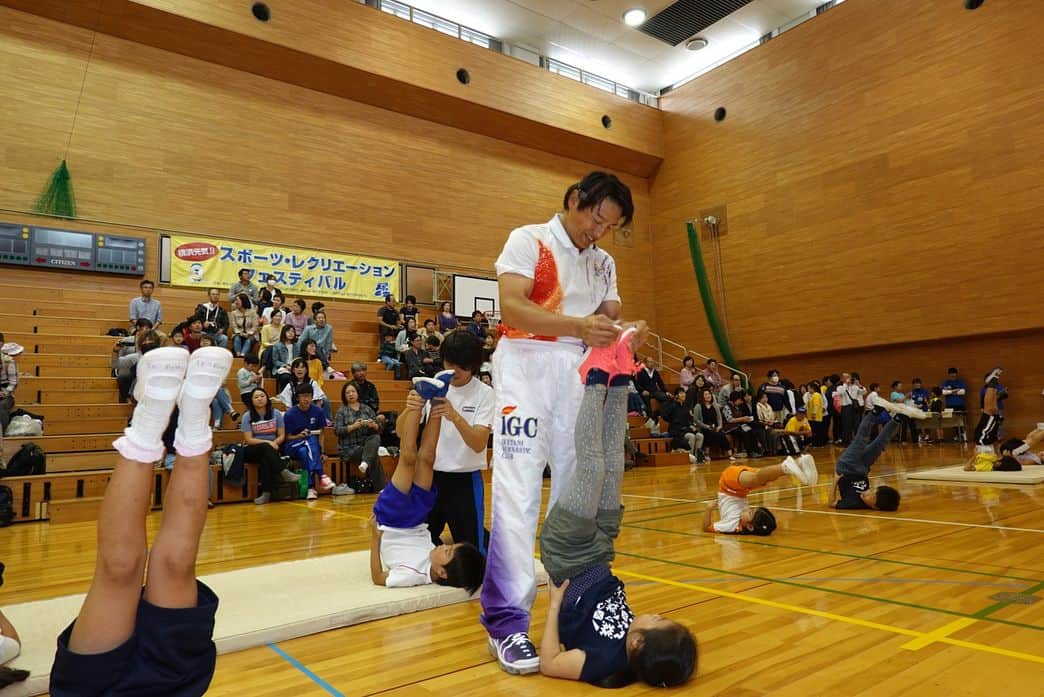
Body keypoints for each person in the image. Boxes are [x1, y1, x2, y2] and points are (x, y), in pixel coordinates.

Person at [482, 171, 642, 674]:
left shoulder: (602, 263)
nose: (598, 231)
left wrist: (623, 331)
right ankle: (506, 624)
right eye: (596, 218)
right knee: (518, 493)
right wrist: (578, 325)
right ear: (575, 200)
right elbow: (511, 305)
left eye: (609, 226)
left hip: (578, 372)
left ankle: (574, 609)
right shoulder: (528, 239)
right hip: (525, 366)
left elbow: (608, 313)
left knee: (580, 491)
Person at [49, 346, 231, 695]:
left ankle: (150, 416)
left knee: (119, 567)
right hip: (174, 682)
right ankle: (194, 412)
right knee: (177, 564)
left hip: (90, 690)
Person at [537, 357, 696, 687]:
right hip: (601, 546)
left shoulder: (604, 661)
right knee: (614, 465)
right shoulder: (634, 638)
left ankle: (594, 381)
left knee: (593, 469)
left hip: (567, 555)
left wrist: (553, 606)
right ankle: (620, 380)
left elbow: (550, 664)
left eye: (661, 621)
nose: (656, 614)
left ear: (639, 643)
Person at [368, 383, 485, 592]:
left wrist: (374, 539)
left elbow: (378, 577)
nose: (444, 545)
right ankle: (437, 399)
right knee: (428, 458)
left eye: (447, 551)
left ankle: (418, 398)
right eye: (450, 546)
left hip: (391, 520)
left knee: (408, 458)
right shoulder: (436, 558)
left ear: (441, 572)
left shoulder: (413, 575)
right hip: (418, 518)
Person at [419, 333, 495, 553]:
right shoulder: (433, 387)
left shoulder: (485, 394)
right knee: (420, 544)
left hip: (464, 479)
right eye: (450, 364)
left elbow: (479, 443)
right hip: (430, 478)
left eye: (462, 366)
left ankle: (497, 546)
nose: (455, 371)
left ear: (474, 365)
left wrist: (455, 416)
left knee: (472, 551)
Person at [830, 397, 927, 510]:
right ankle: (899, 417)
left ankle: (876, 409)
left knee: (861, 440)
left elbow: (831, 503)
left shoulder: (853, 504)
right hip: (863, 468)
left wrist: (835, 481)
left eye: (872, 496)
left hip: (846, 467)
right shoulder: (871, 500)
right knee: (880, 444)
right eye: (873, 491)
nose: (868, 492)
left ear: (874, 506)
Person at [702, 454, 817, 534]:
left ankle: (788, 466)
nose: (749, 509)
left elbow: (706, 527)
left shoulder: (731, 526)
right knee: (765, 480)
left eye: (751, 512)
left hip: (728, 486)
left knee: (757, 479)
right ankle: (799, 463)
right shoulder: (745, 522)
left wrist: (708, 509)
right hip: (741, 490)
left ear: (750, 526)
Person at [240, 388, 299, 505]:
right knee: (265, 449)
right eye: (256, 397)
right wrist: (269, 443)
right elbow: (249, 439)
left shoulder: (276, 413)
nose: (260, 399)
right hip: (253, 449)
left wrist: (275, 443)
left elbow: (282, 435)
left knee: (266, 458)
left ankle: (266, 494)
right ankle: (283, 471)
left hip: (271, 449)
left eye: (262, 396)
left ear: (267, 398)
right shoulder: (247, 416)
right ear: (251, 401)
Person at [282, 383, 333, 500]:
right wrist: (299, 435)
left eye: (309, 396)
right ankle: (321, 475)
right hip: (292, 445)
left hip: (309, 447)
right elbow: (287, 438)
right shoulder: (290, 414)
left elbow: (321, 433)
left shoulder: (318, 412)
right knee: (308, 440)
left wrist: (322, 452)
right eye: (303, 396)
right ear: (297, 398)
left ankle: (310, 488)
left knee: (305, 451)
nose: (306, 399)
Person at [333, 383, 385, 494]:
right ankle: (381, 488)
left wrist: (374, 425)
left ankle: (365, 462)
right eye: (348, 392)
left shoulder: (367, 409)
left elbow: (378, 429)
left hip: (365, 444)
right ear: (344, 395)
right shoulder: (342, 411)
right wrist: (353, 427)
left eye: (353, 391)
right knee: (373, 454)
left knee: (375, 437)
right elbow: (337, 431)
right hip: (349, 448)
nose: (351, 394)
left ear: (357, 393)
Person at [661, 387, 703, 464]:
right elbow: (664, 415)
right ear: (676, 395)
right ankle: (690, 456)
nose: (683, 395)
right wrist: (672, 421)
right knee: (691, 436)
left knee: (700, 435)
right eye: (681, 393)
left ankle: (698, 456)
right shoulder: (673, 405)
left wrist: (691, 425)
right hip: (676, 430)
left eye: (684, 393)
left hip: (686, 428)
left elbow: (688, 419)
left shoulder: (686, 406)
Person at [694, 388, 731, 460]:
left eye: (709, 394)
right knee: (709, 433)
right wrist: (706, 426)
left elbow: (719, 417)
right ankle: (706, 454)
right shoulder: (698, 406)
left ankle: (730, 454)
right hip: (704, 427)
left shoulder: (715, 405)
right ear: (702, 396)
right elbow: (696, 420)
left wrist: (720, 426)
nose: (708, 396)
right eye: (706, 394)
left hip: (715, 426)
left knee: (721, 434)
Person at [722, 390, 758, 458]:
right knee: (744, 433)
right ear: (735, 399)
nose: (740, 402)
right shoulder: (726, 407)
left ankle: (755, 450)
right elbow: (730, 420)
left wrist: (745, 420)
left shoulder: (737, 407)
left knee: (750, 430)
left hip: (738, 426)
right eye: (739, 400)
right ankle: (749, 452)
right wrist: (742, 419)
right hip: (730, 428)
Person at [0, 342, 23, 434]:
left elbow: (13, 383)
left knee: (1, 406)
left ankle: (2, 435)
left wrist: (5, 393)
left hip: (5, 395)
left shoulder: (9, 362)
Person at [942, 367, 968, 442]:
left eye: (954, 375)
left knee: (962, 421)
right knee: (953, 422)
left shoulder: (960, 382)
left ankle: (964, 436)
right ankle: (957, 435)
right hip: (950, 405)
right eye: (951, 375)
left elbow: (962, 392)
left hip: (960, 404)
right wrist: (954, 391)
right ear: (949, 375)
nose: (953, 376)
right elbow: (943, 392)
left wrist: (949, 392)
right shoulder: (946, 382)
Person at [229, 293, 259, 358]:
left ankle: (242, 356)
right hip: (238, 333)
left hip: (252, 335)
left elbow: (255, 326)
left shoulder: (252, 312)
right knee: (237, 338)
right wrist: (240, 333)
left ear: (243, 301)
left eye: (237, 300)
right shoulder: (234, 313)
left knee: (248, 340)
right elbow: (234, 326)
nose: (235, 302)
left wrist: (249, 333)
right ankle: (238, 356)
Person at [270, 325, 298, 391]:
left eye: (293, 331)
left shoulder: (296, 346)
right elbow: (275, 361)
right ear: (283, 333)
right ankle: (284, 395)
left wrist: (294, 367)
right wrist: (285, 365)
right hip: (281, 369)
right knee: (286, 377)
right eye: (288, 331)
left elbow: (298, 359)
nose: (291, 333)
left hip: (294, 368)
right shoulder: (277, 346)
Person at [806, 380, 828, 447]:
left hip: (815, 417)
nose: (808, 390)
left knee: (817, 431)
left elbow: (816, 405)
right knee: (815, 430)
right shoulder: (813, 395)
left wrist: (814, 413)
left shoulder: (816, 395)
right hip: (812, 416)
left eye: (809, 388)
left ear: (813, 388)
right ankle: (816, 443)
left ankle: (818, 444)